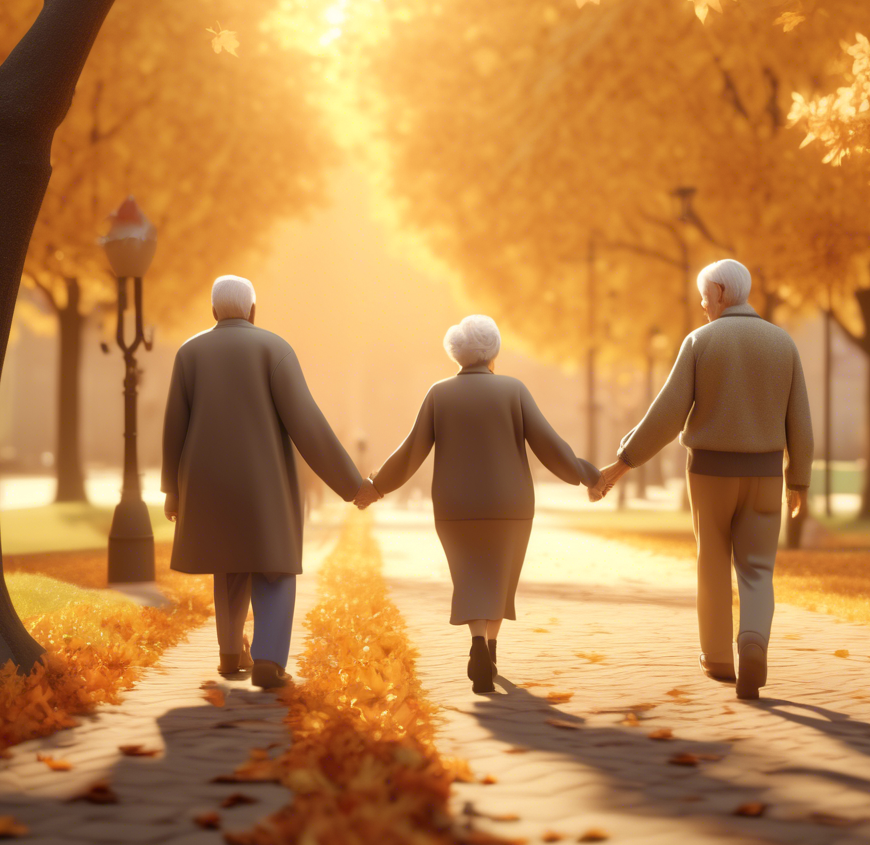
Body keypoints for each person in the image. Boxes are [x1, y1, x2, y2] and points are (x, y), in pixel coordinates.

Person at [591, 260, 813, 700]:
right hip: (766, 473)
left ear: (720, 292)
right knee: (757, 569)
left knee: (712, 562)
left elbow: (667, 415)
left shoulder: (700, 342)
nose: (701, 303)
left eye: (704, 296)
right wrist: (798, 481)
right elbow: (800, 421)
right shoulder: (783, 343)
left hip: (710, 473)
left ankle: (717, 659)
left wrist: (622, 462)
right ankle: (753, 642)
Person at [354, 315, 600, 693]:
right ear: (494, 350)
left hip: (456, 506)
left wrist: (376, 486)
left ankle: (477, 645)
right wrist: (588, 476)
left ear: (455, 352)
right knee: (500, 577)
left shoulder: (439, 393)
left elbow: (411, 452)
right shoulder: (514, 390)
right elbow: (549, 444)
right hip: (510, 503)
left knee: (469, 575)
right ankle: (492, 650)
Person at [161, 275, 364, 689]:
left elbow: (174, 427)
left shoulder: (189, 352)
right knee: (272, 565)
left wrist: (172, 488)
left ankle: (231, 653)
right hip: (264, 482)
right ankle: (269, 658)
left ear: (213, 311)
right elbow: (307, 423)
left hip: (208, 482)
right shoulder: (275, 349)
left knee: (228, 562)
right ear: (253, 311)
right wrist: (352, 484)